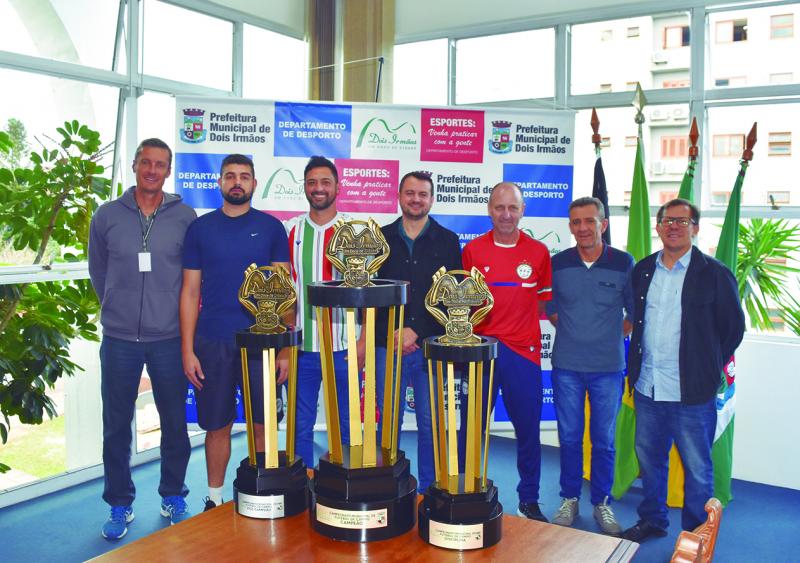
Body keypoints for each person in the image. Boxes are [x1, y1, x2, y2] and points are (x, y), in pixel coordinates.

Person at [89, 138, 196, 539]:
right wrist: (116, 305)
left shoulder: (185, 216)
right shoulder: (106, 215)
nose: (152, 170)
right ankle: (120, 503)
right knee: (116, 426)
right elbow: (98, 270)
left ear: (169, 171)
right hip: (118, 339)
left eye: (160, 164)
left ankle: (173, 494)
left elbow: (191, 277)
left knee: (174, 424)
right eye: (145, 162)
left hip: (169, 338)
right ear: (134, 165)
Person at [621, 199, 745, 543]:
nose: (673, 226)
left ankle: (695, 535)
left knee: (698, 470)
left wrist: (706, 363)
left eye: (681, 221)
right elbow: (638, 320)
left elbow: (733, 328)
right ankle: (653, 521)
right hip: (648, 388)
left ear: (695, 228)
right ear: (658, 227)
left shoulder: (715, 274)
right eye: (667, 220)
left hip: (692, 393)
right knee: (651, 463)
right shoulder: (644, 269)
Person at [180, 154, 290, 511]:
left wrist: (286, 349)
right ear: (220, 183)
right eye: (230, 176)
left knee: (262, 424)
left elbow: (285, 289)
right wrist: (187, 349)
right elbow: (190, 292)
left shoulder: (272, 228)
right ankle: (214, 498)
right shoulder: (200, 228)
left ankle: (262, 492)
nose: (237, 182)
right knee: (218, 426)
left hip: (263, 343)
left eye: (244, 176)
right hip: (213, 342)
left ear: (255, 184)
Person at [460, 182, 552, 522]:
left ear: (523, 210)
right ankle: (468, 491)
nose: (506, 214)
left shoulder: (539, 253)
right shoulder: (473, 251)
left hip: (523, 353)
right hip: (481, 351)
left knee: (528, 430)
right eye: (499, 207)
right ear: (489, 210)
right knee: (472, 428)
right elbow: (465, 304)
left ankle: (529, 499)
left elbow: (543, 302)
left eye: (513, 208)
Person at [546, 196, 634, 534]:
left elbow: (632, 314)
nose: (583, 228)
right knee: (569, 437)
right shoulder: (559, 262)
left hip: (608, 368)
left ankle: (602, 502)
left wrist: (608, 336)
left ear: (603, 225)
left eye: (589, 221)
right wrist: (577, 334)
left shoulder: (624, 262)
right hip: (567, 365)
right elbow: (552, 310)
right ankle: (569, 498)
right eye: (576, 222)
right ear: (570, 226)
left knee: (604, 439)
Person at [374, 171, 462, 493]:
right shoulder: (379, 238)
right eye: (409, 193)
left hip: (431, 346)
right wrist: (396, 333)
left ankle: (429, 489)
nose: (415, 199)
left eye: (422, 194)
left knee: (430, 422)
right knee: (390, 423)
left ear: (431, 199)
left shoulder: (449, 241)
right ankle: (390, 486)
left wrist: (417, 331)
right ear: (399, 197)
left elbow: (452, 297)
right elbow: (372, 295)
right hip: (388, 345)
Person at [283, 156, 354, 467]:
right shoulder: (290, 230)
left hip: (344, 348)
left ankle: (345, 493)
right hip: (301, 349)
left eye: (325, 182)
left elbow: (364, 293)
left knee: (348, 428)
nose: (318, 188)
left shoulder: (355, 232)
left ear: (337, 187)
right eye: (312, 182)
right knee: (299, 428)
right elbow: (284, 290)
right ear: (305, 188)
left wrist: (362, 344)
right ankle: (302, 488)